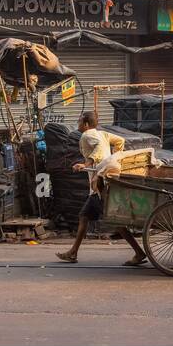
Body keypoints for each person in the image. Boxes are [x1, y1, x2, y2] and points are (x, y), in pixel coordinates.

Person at [58, 112, 150, 266]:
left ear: (86, 124)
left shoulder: (86, 136)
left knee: (110, 220)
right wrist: (113, 158)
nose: (77, 122)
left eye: (79, 120)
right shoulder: (102, 134)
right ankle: (73, 252)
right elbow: (120, 141)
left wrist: (85, 164)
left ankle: (139, 252)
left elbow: (99, 148)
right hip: (104, 182)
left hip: (100, 185)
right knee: (87, 217)